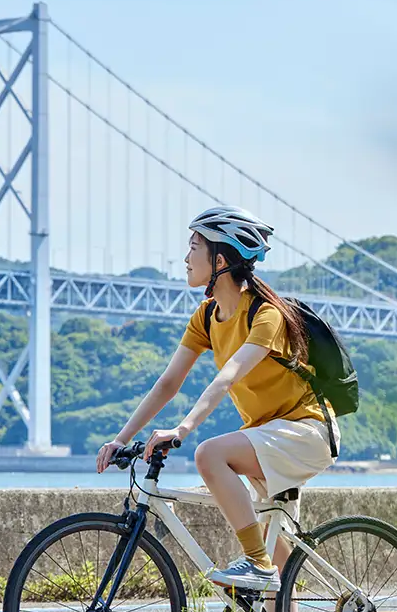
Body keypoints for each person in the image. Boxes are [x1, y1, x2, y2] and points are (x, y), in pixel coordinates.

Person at [95, 205, 339, 592]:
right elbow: (168, 383)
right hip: (268, 435)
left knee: (209, 455)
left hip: (305, 431)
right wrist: (121, 438)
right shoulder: (207, 316)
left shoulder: (266, 315)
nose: (186, 258)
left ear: (220, 260)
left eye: (194, 247)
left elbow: (228, 376)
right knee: (277, 570)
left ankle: (257, 564)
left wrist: (184, 428)